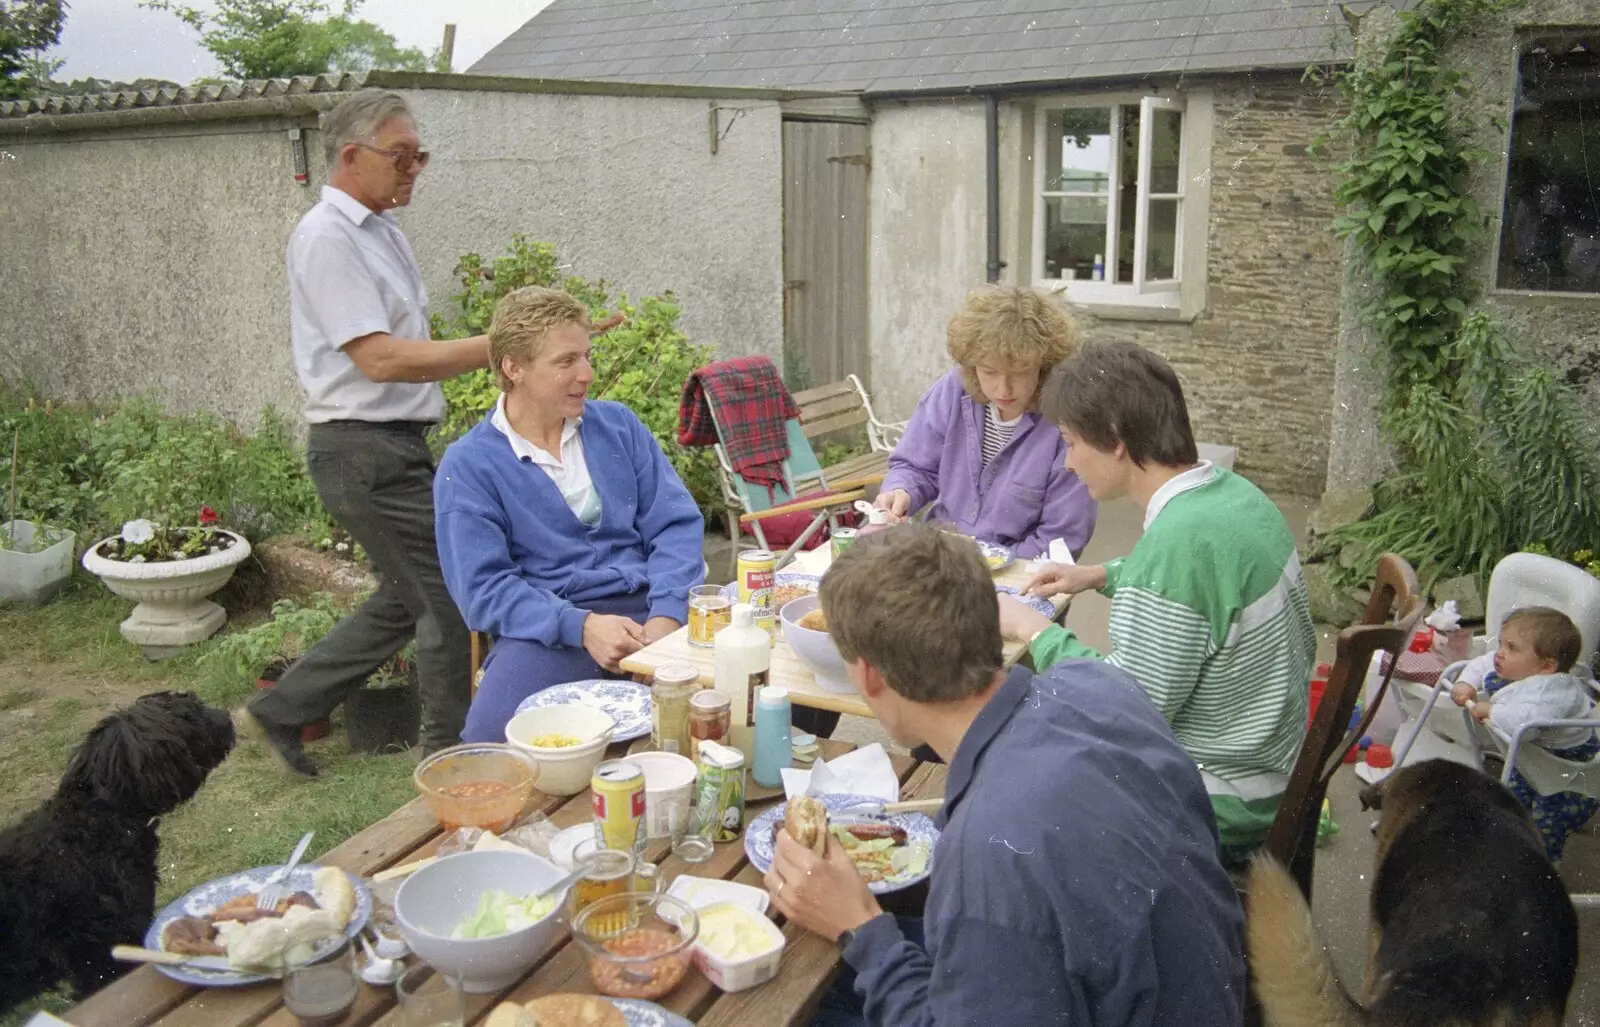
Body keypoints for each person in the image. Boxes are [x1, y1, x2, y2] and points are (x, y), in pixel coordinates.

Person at [765, 524, 1246, 1027]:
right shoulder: (1094, 683)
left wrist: (859, 927)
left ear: (867, 675)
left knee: (802, 1002)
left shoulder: (988, 852)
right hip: (1200, 989)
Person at [242, 90, 489, 776]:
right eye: (401, 155)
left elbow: (406, 350)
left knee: (402, 596)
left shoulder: (382, 232)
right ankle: (449, 758)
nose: (414, 168)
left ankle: (282, 708)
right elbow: (377, 357)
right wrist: (499, 347)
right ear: (351, 156)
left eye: (421, 155)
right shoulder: (326, 236)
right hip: (362, 448)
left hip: (390, 444)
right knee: (446, 596)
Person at [997, 341, 1316, 867]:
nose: (1068, 462)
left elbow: (1126, 708)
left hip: (1221, 798)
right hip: (1268, 763)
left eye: (1071, 443)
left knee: (1024, 774)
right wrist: (1100, 574)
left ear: (1116, 440)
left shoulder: (1176, 547)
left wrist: (1036, 632)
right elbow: (1205, 591)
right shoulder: (1233, 495)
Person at [434, 286, 705, 744]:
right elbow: (482, 590)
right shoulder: (469, 466)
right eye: (566, 362)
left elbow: (674, 524)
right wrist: (580, 627)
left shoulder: (617, 426)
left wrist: (667, 618)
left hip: (653, 609)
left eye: (586, 356)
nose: (586, 374)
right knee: (491, 747)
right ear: (513, 368)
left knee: (766, 696)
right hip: (550, 630)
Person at [874, 286, 1096, 559]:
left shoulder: (1064, 424)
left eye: (1020, 373)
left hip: (1020, 577)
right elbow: (914, 467)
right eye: (989, 371)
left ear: (1045, 365)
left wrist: (984, 565)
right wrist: (901, 491)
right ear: (970, 365)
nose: (1003, 389)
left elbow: (1061, 539)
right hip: (940, 559)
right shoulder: (953, 391)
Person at [1449, 606, 1598, 861]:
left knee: (1548, 820)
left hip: (1569, 769)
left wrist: (1491, 710)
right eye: (1501, 645)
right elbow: (1484, 662)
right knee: (1511, 802)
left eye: (1512, 648)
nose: (1500, 654)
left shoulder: (1552, 694)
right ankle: (1507, 845)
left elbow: (1524, 725)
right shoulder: (1518, 667)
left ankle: (1543, 870)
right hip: (1532, 758)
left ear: (1546, 666)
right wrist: (1466, 683)